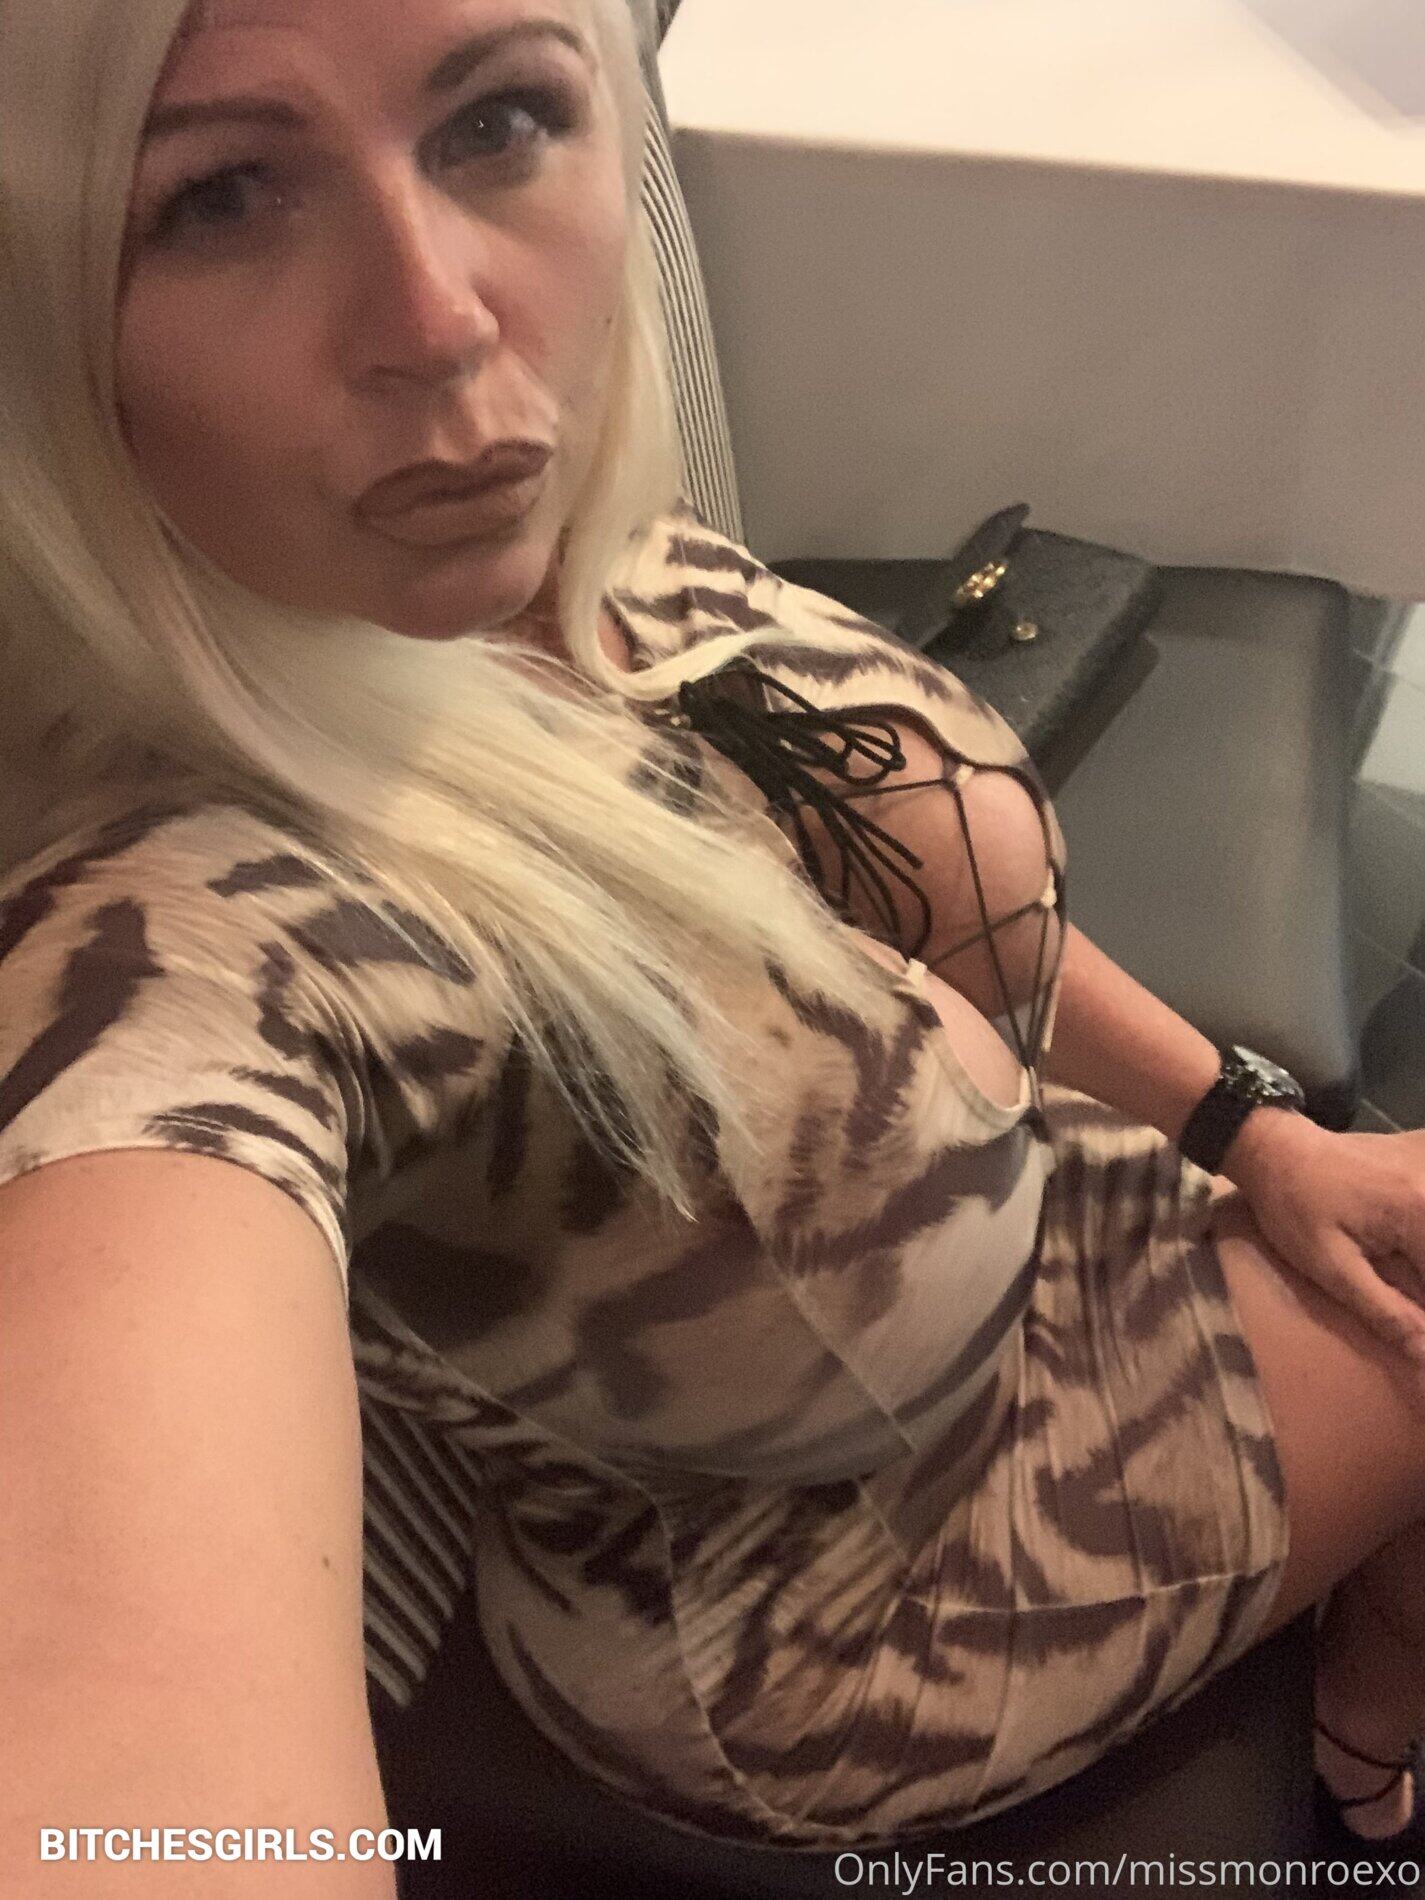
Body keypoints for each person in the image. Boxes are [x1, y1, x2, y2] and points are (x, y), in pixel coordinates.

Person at [2, 0, 1425, 1888]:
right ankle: (1372, 1722)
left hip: (1037, 1211)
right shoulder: (180, 928)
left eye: (496, 120)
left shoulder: (526, 535)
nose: (440, 318)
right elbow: (125, 1718)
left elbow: (905, 900)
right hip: (830, 1602)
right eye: (219, 197)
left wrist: (1247, 1126)